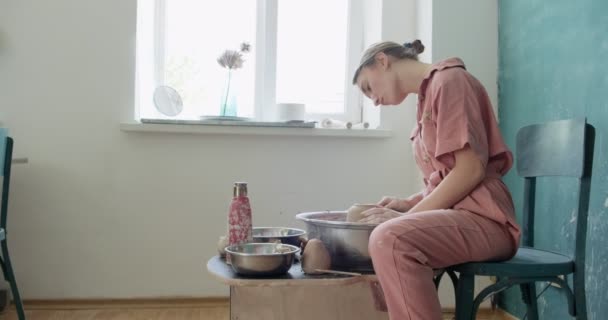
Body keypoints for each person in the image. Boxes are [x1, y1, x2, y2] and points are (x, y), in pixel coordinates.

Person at [352, 40, 521, 320]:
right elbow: (445, 179)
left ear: (382, 61)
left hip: (488, 220)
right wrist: (406, 204)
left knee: (391, 238)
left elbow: (470, 171)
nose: (375, 100)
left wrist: (400, 220)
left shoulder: (450, 81)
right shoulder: (427, 99)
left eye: (369, 87)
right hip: (463, 217)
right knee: (382, 233)